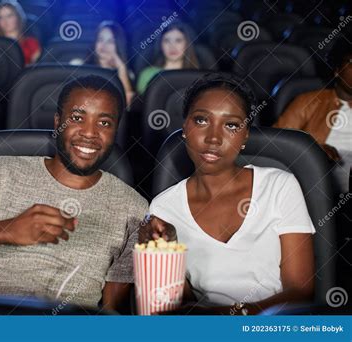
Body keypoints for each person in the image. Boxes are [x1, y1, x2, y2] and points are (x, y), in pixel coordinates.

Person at [0, 75, 148, 313]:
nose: (89, 132)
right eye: (77, 118)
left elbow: (112, 310)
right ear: (57, 122)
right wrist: (6, 230)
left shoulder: (134, 208)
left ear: (116, 130)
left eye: (104, 123)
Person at [140, 72, 315, 315]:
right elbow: (177, 309)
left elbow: (301, 291)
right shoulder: (163, 209)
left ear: (244, 136)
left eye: (231, 125)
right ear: (184, 127)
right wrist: (168, 256)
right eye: (201, 120)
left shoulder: (280, 186)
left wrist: (231, 315)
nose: (213, 138)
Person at [274, 34, 352, 193]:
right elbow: (274, 146)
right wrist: (313, 151)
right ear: (337, 70)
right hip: (318, 186)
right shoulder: (308, 102)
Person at [136, 20, 200, 94]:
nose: (172, 47)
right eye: (167, 41)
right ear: (161, 45)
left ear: (187, 44)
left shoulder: (197, 76)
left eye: (178, 40)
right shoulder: (147, 75)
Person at [91, 21, 134, 105]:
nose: (104, 45)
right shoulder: (79, 64)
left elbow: (127, 105)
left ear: (118, 45)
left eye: (110, 41)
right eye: (100, 39)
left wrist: (121, 68)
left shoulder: (127, 73)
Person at [0, 0, 41, 65]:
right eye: (0, 17)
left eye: (9, 16)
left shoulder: (32, 44)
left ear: (18, 17)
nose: (5, 21)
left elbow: (34, 72)